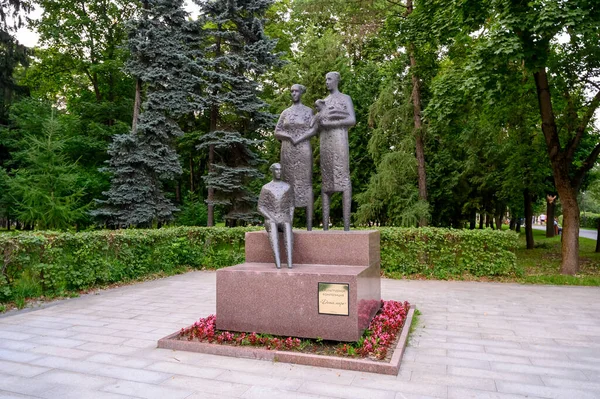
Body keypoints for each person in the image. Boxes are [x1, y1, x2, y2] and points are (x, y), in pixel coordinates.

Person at [314, 72, 356, 231]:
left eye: (329, 79)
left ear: (337, 80)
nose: (327, 82)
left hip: (339, 141)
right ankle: (325, 227)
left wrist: (334, 123)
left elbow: (352, 119)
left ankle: (346, 226)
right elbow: (317, 125)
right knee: (326, 181)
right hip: (325, 143)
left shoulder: (345, 98)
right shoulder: (323, 102)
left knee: (343, 177)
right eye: (325, 79)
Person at [274, 84, 317, 230]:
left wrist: (299, 138)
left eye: (296, 91)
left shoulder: (308, 111)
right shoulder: (285, 112)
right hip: (287, 150)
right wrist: (289, 137)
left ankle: (309, 224)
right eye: (291, 91)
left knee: (306, 183)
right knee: (288, 184)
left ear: (301, 93)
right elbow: (277, 131)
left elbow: (314, 129)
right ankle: (287, 223)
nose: (293, 93)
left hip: (303, 149)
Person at [258, 163, 294, 269]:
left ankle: (290, 263)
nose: (279, 172)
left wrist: (290, 218)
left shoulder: (287, 187)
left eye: (280, 170)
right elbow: (260, 207)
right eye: (277, 170)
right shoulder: (266, 188)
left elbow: (291, 205)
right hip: (271, 217)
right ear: (272, 171)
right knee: (272, 226)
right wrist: (269, 216)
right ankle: (277, 263)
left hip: (284, 217)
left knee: (287, 225)